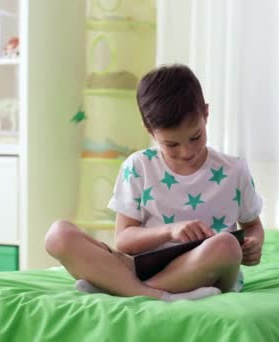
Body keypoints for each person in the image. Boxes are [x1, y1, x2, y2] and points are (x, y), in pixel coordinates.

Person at [45, 64, 264, 301]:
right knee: (58, 235)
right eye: (171, 145)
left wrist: (254, 244)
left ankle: (123, 289)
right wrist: (170, 231)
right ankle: (154, 293)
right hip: (143, 266)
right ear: (149, 130)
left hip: (205, 268)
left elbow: (252, 226)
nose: (186, 151)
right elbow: (124, 240)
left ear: (206, 114)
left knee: (226, 245)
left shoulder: (233, 170)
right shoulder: (138, 167)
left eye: (195, 137)